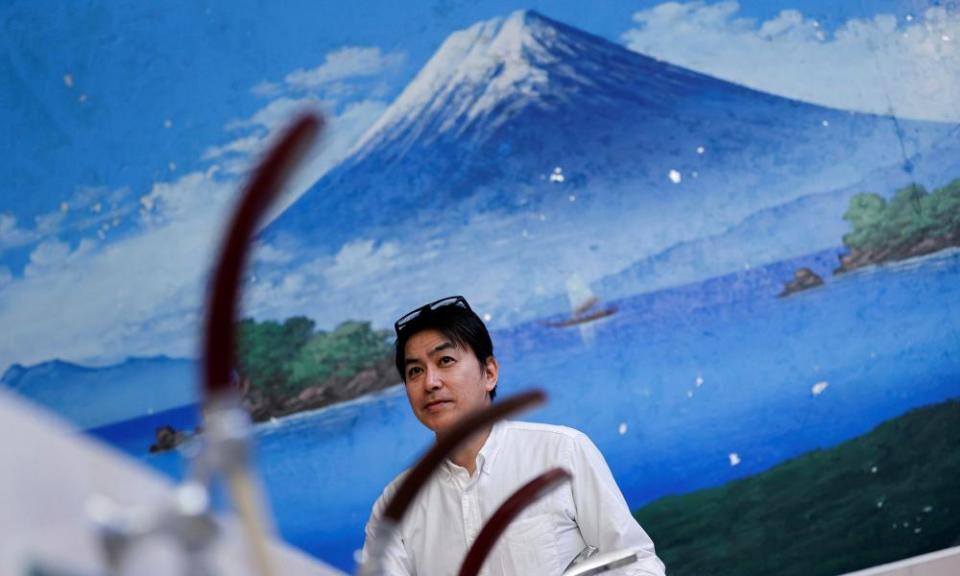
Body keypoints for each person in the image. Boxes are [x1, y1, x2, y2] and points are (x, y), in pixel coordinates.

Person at [362, 296, 665, 575]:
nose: (430, 382)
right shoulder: (394, 506)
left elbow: (636, 563)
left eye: (445, 361)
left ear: (490, 373)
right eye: (415, 371)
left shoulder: (561, 453)